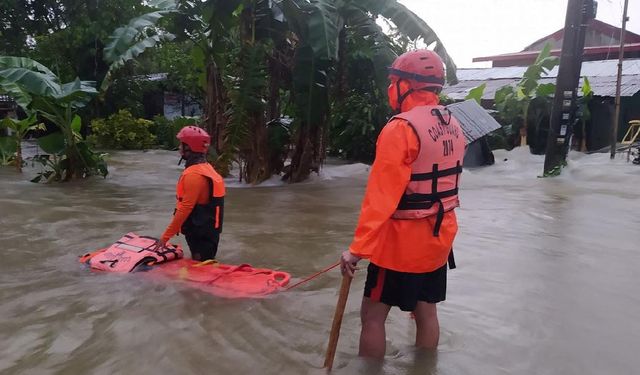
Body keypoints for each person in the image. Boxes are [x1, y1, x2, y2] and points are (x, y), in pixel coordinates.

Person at [340, 49, 465, 359]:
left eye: (393, 81)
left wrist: (357, 251)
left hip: (401, 245)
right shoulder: (453, 123)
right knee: (426, 312)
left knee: (372, 316)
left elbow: (381, 198)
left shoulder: (400, 129)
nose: (390, 88)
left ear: (407, 85)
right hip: (439, 240)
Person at [152, 126, 225, 261]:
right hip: (209, 230)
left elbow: (185, 208)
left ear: (189, 147)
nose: (179, 148)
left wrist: (165, 237)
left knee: (200, 263)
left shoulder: (193, 175)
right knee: (205, 261)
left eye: (182, 144)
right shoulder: (207, 168)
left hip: (199, 232)